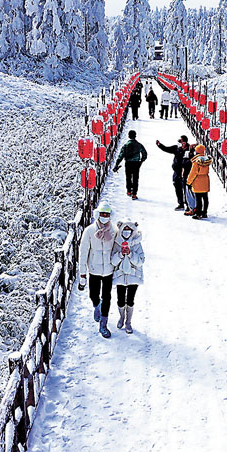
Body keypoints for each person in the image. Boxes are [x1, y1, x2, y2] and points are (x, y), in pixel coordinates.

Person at [79, 201, 117, 338]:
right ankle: (97, 305)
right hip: (94, 268)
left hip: (108, 269)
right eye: (102, 214)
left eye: (107, 214)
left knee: (107, 296)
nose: (105, 216)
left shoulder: (114, 230)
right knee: (93, 294)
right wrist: (82, 273)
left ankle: (103, 324)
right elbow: (83, 252)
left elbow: (117, 248)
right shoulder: (89, 231)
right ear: (98, 215)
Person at [112, 219, 144, 334]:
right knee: (120, 300)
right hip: (120, 276)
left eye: (128, 230)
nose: (126, 232)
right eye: (124, 229)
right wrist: (120, 254)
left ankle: (128, 322)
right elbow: (113, 261)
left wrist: (130, 254)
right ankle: (121, 317)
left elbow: (141, 261)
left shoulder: (137, 244)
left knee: (130, 300)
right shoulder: (117, 243)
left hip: (133, 276)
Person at [155, 135, 191, 210]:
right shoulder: (176, 148)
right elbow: (167, 149)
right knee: (177, 187)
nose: (179, 144)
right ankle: (180, 203)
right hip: (176, 171)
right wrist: (160, 145)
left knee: (186, 188)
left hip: (185, 172)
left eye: (181, 142)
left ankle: (188, 205)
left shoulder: (189, 150)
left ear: (184, 142)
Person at [113, 130, 148, 199]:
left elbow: (121, 155)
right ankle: (134, 194)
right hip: (136, 163)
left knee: (128, 177)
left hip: (128, 163)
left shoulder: (126, 145)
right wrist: (141, 161)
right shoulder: (139, 145)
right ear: (135, 136)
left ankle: (129, 191)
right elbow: (145, 153)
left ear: (129, 136)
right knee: (135, 178)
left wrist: (117, 164)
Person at [186, 144, 213, 219]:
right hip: (205, 179)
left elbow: (193, 173)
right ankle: (204, 212)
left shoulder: (196, 161)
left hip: (198, 180)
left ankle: (198, 213)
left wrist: (188, 182)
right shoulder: (206, 160)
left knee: (198, 198)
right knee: (205, 197)